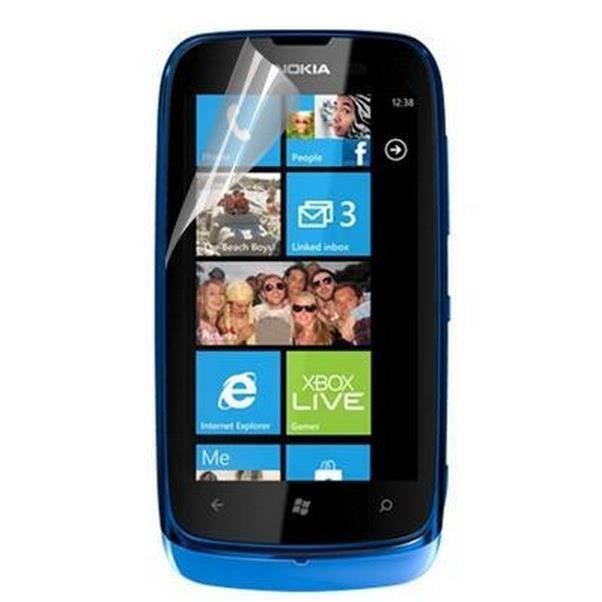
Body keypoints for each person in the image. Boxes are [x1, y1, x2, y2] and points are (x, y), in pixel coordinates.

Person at [253, 274, 293, 345]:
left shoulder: (295, 311)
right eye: (269, 288)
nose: (275, 291)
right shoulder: (255, 311)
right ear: (263, 293)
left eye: (280, 286)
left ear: (285, 290)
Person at [220, 281, 256, 345]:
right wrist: (240, 338)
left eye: (247, 306)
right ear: (229, 304)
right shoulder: (221, 323)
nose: (243, 310)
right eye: (239, 306)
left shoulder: (254, 317)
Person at [196, 279, 226, 345]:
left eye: (221, 293)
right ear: (202, 299)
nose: (218, 297)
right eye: (212, 294)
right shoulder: (200, 327)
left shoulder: (217, 326)